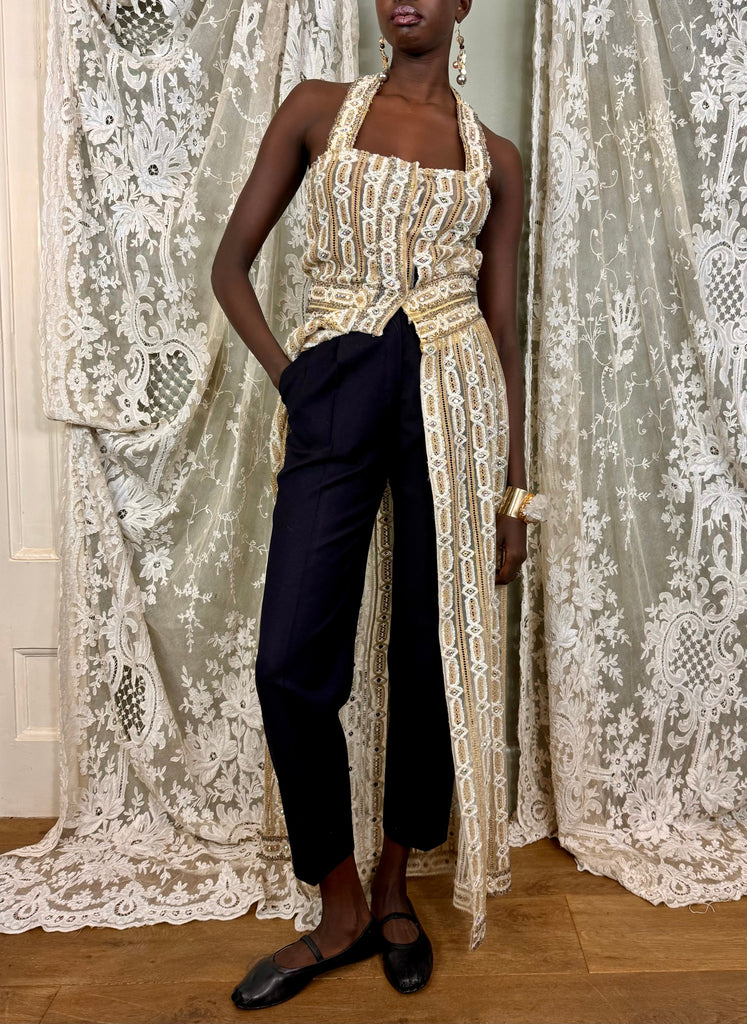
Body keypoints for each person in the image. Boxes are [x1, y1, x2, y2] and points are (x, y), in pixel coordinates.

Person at [211, 0, 535, 1009]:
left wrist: (513, 493)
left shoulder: (496, 158)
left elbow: (503, 324)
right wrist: (295, 379)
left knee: (431, 651)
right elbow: (229, 265)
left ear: (462, 4)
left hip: (455, 398)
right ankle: (340, 901)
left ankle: (397, 884)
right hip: (338, 384)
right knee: (289, 659)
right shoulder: (317, 109)